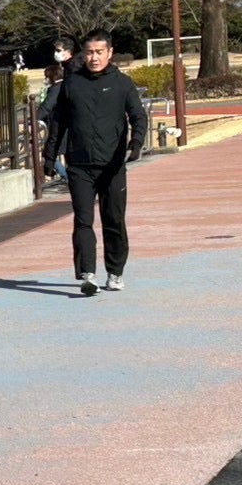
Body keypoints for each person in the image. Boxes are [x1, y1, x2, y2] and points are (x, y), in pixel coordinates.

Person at [43, 29, 147, 296]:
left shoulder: (122, 83)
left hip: (112, 165)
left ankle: (115, 272)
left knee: (114, 220)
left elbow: (138, 116)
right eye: (89, 52)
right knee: (83, 220)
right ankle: (87, 274)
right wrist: (49, 156)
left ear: (110, 53)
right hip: (79, 164)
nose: (94, 58)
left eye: (99, 52)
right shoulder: (72, 84)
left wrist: (136, 144)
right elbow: (58, 123)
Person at [38, 38, 79, 184]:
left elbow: (47, 106)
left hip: (66, 126)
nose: (56, 53)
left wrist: (34, 118)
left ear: (68, 51)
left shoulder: (72, 71)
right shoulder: (68, 71)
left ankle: (67, 178)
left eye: (58, 50)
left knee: (52, 154)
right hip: (69, 126)